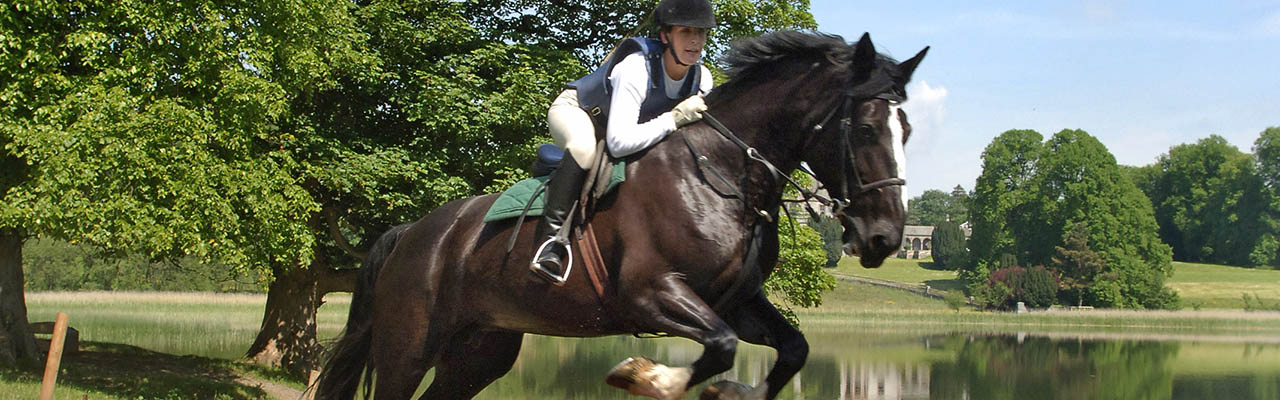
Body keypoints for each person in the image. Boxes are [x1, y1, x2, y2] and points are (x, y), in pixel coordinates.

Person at [531, 0, 717, 284]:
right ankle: (551, 243)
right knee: (583, 148)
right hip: (580, 112)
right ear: (665, 36)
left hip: (622, 127)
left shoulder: (702, 78)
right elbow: (618, 143)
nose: (695, 41)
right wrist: (673, 119)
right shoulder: (636, 68)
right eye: (685, 31)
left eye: (701, 32)